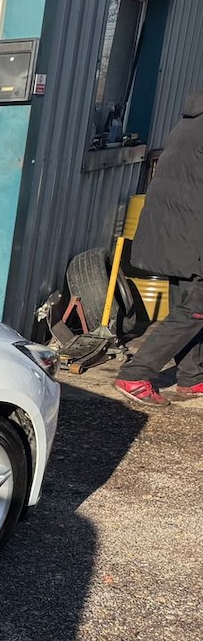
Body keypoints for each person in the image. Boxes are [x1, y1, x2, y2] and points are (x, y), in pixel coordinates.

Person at [115, 88, 203, 407]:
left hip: (173, 231)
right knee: (196, 308)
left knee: (188, 303)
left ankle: (191, 377)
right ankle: (136, 373)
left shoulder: (190, 120)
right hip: (191, 232)